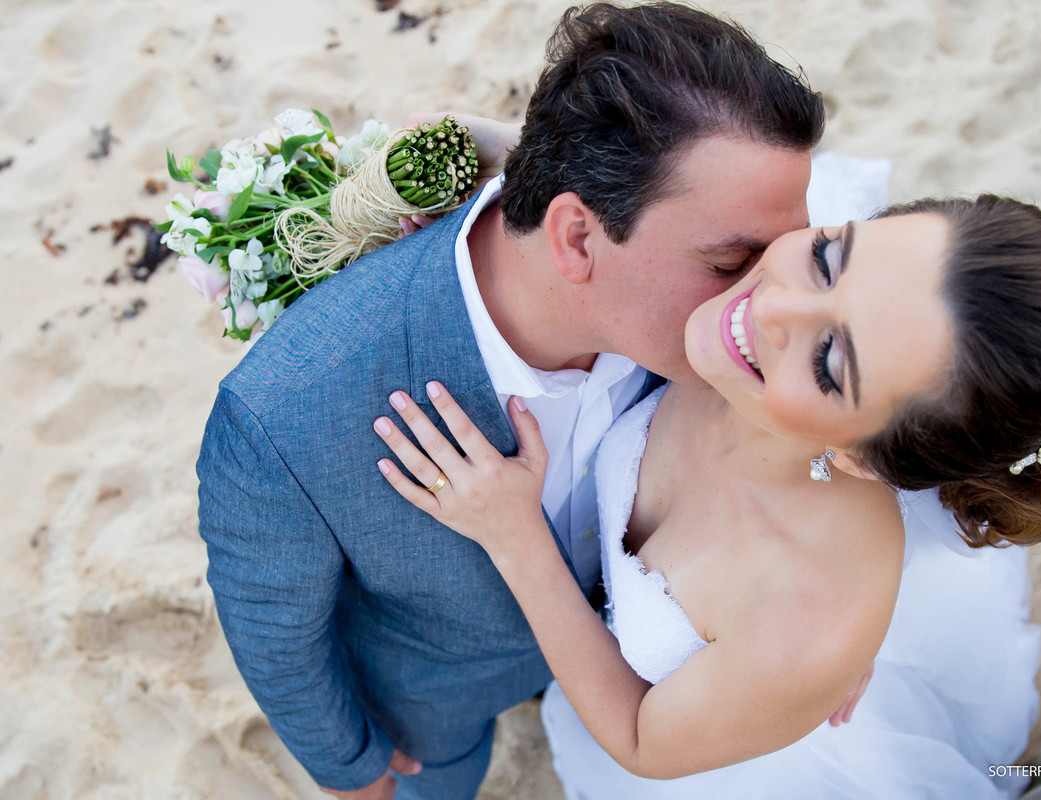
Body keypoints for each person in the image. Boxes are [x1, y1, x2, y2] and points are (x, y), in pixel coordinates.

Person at [195, 4, 825, 799]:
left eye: (788, 251)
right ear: (576, 239)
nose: (769, 299)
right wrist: (350, 769)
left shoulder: (709, 316)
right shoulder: (284, 415)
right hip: (436, 710)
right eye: (733, 260)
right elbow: (275, 634)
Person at [371, 195, 1041, 798]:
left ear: (861, 456)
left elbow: (637, 740)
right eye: (831, 257)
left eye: (831, 360)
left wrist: (515, 537)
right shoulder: (755, 259)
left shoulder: (806, 623)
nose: (770, 309)